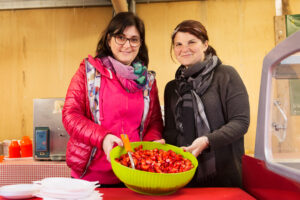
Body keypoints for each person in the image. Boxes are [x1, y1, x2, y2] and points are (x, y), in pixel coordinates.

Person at [62, 12, 164, 187]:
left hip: (132, 174)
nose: (127, 45)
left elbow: (154, 121)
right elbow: (70, 115)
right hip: (90, 177)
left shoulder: (147, 81)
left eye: (134, 39)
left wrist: (152, 143)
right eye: (120, 37)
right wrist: (104, 138)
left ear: (140, 44)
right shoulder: (88, 73)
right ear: (109, 40)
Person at [163, 20, 250, 188]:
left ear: (205, 44)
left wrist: (206, 141)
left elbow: (240, 122)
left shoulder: (225, 75)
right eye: (178, 44)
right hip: (182, 176)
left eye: (191, 42)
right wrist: (163, 146)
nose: (184, 49)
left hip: (225, 176)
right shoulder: (171, 88)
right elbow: (172, 132)